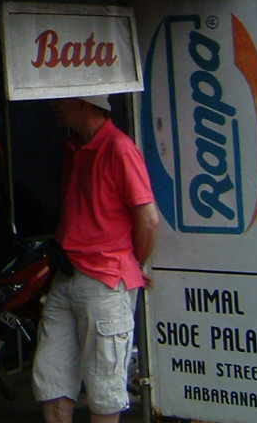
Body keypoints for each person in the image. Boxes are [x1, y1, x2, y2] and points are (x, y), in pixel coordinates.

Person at [32, 94, 158, 423]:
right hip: (68, 274)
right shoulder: (74, 147)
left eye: (63, 99)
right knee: (51, 381)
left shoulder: (119, 147)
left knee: (104, 389)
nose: (54, 104)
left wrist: (133, 263)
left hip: (104, 279)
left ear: (85, 103)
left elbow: (148, 219)